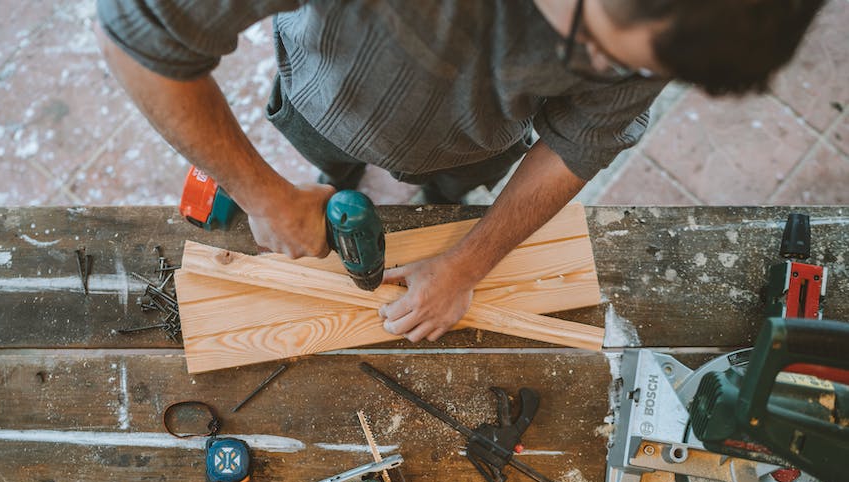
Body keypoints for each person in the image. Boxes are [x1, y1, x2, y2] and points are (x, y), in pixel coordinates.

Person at [96, 0, 823, 342]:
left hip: (476, 146)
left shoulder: (678, 21)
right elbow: (138, 40)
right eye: (597, 51)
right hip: (327, 94)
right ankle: (341, 170)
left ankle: (418, 183)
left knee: (444, 192)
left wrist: (469, 261)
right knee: (330, 156)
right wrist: (267, 197)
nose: (606, 75)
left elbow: (580, 139)